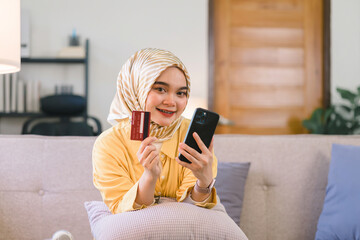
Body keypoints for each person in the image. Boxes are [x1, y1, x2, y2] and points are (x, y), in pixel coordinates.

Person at [92, 48, 218, 214]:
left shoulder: (192, 134)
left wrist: (204, 183)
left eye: (181, 93)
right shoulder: (109, 144)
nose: (171, 101)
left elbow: (194, 210)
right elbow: (121, 210)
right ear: (136, 88)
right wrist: (149, 177)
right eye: (160, 89)